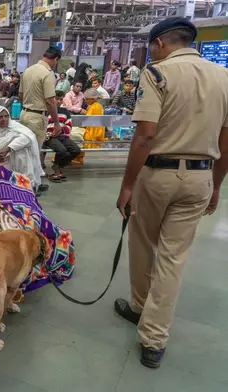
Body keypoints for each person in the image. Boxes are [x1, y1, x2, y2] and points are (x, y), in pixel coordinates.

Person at [115, 17, 228, 369]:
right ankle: (154, 339)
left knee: (143, 242)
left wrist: (127, 185)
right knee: (173, 258)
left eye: (151, 46)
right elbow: (227, 139)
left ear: (160, 43)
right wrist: (216, 185)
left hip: (158, 174)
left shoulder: (157, 73)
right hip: (200, 177)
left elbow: (146, 136)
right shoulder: (224, 77)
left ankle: (138, 307)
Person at [0, 106, 43, 193]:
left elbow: (28, 138)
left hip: (12, 162)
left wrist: (8, 149)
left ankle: (22, 186)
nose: (4, 119)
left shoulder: (15, 127)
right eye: (0, 117)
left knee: (22, 152)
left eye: (6, 116)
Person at [19, 46, 62, 160]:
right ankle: (31, 177)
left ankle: (22, 177)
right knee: (33, 154)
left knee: (23, 152)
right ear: (55, 59)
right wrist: (57, 123)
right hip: (37, 118)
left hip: (24, 114)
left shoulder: (28, 70)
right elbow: (50, 101)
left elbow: (20, 95)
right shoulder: (48, 74)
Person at [44, 90, 81, 182]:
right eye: (57, 99)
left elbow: (69, 125)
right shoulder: (45, 111)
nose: (59, 101)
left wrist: (61, 131)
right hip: (50, 137)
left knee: (76, 150)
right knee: (62, 150)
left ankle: (58, 165)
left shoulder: (65, 111)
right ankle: (57, 170)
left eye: (61, 99)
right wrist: (49, 134)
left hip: (63, 136)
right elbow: (43, 126)